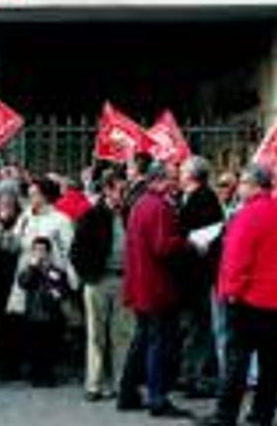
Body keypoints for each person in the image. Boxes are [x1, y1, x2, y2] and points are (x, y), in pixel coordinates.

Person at [196, 164, 277, 426]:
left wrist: (229, 293)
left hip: (249, 301)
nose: (238, 188)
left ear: (253, 186)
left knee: (236, 361)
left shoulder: (247, 215)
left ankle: (225, 414)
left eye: (241, 183)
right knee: (270, 365)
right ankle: (263, 414)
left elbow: (236, 261)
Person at [117, 162, 191, 418]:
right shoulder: (159, 206)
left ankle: (127, 392)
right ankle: (157, 397)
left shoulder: (140, 204)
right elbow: (162, 247)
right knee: (158, 343)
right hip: (156, 285)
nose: (175, 182)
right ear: (159, 179)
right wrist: (187, 243)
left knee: (142, 340)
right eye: (172, 178)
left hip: (140, 283)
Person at [70, 169, 134, 402]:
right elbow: (76, 252)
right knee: (96, 335)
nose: (124, 194)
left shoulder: (129, 214)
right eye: (120, 190)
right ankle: (94, 383)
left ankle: (120, 383)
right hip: (99, 280)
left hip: (124, 279)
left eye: (126, 189)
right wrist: (88, 276)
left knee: (123, 334)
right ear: (107, 190)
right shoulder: (92, 216)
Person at [6, 177, 75, 381]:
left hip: (49, 280)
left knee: (50, 324)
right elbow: (15, 242)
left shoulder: (61, 220)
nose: (30, 198)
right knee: (26, 323)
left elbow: (68, 251)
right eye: (29, 194)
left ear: (46, 196)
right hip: (27, 276)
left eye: (35, 194)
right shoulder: (25, 217)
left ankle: (49, 369)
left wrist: (69, 281)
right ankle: (32, 367)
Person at [176, 156, 224, 399]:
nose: (179, 174)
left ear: (193, 175)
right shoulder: (189, 197)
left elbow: (208, 233)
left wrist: (189, 240)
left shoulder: (204, 197)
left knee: (200, 327)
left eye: (183, 170)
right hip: (191, 276)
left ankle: (198, 377)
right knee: (193, 327)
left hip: (199, 275)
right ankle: (191, 375)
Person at [17, 237, 71, 386]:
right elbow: (24, 283)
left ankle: (49, 375)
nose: (39, 253)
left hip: (51, 315)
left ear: (48, 252)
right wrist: (33, 268)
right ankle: (36, 375)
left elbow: (64, 290)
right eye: (36, 250)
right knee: (34, 347)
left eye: (42, 250)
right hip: (33, 314)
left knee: (50, 347)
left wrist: (57, 294)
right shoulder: (28, 269)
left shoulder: (57, 271)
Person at [0, 184, 23, 379]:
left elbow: (20, 244)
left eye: (10, 198)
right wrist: (0, 224)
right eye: (2, 197)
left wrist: (11, 230)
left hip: (15, 274)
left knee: (15, 319)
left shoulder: (23, 218)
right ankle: (1, 364)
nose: (6, 201)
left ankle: (15, 363)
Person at [122, 151, 154, 224]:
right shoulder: (132, 187)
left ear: (137, 168)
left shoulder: (142, 190)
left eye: (129, 168)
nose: (126, 172)